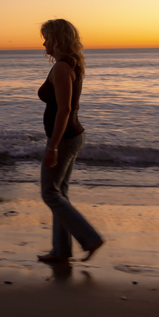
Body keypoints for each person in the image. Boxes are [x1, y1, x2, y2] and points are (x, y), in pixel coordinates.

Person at [37, 19, 104, 263]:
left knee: (50, 193)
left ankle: (90, 238)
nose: (44, 42)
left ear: (58, 40)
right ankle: (61, 250)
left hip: (64, 139)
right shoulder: (69, 65)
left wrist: (53, 146)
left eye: (47, 38)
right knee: (59, 193)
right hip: (71, 137)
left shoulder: (63, 68)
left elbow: (64, 110)